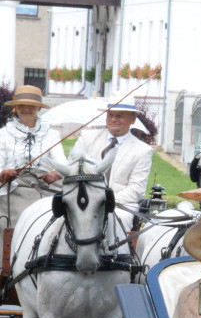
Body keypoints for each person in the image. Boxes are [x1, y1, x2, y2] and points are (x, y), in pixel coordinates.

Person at [1, 86, 66, 237]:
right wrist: (3, 173)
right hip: (12, 189)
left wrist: (56, 174)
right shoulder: (4, 134)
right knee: (14, 228)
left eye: (31, 105)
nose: (26, 109)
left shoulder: (51, 134)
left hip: (43, 189)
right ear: (15, 107)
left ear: (38, 107)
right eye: (21, 105)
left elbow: (62, 163)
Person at [70, 95, 153, 211]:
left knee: (118, 223)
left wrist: (107, 200)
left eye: (119, 116)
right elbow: (71, 168)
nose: (113, 119)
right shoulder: (87, 138)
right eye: (110, 115)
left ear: (133, 119)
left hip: (121, 206)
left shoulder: (143, 151)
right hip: (83, 201)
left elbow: (137, 188)